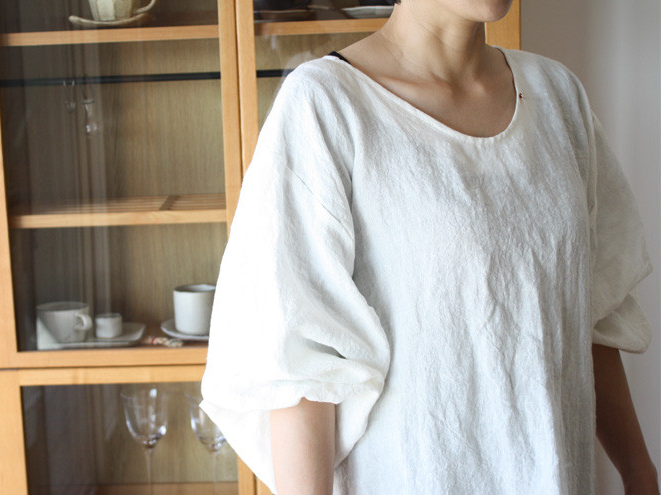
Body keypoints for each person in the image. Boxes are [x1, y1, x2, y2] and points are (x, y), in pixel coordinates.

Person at [200, 0, 659, 493]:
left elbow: (589, 311)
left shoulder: (557, 95)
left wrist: (639, 472)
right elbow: (301, 364)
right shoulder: (326, 104)